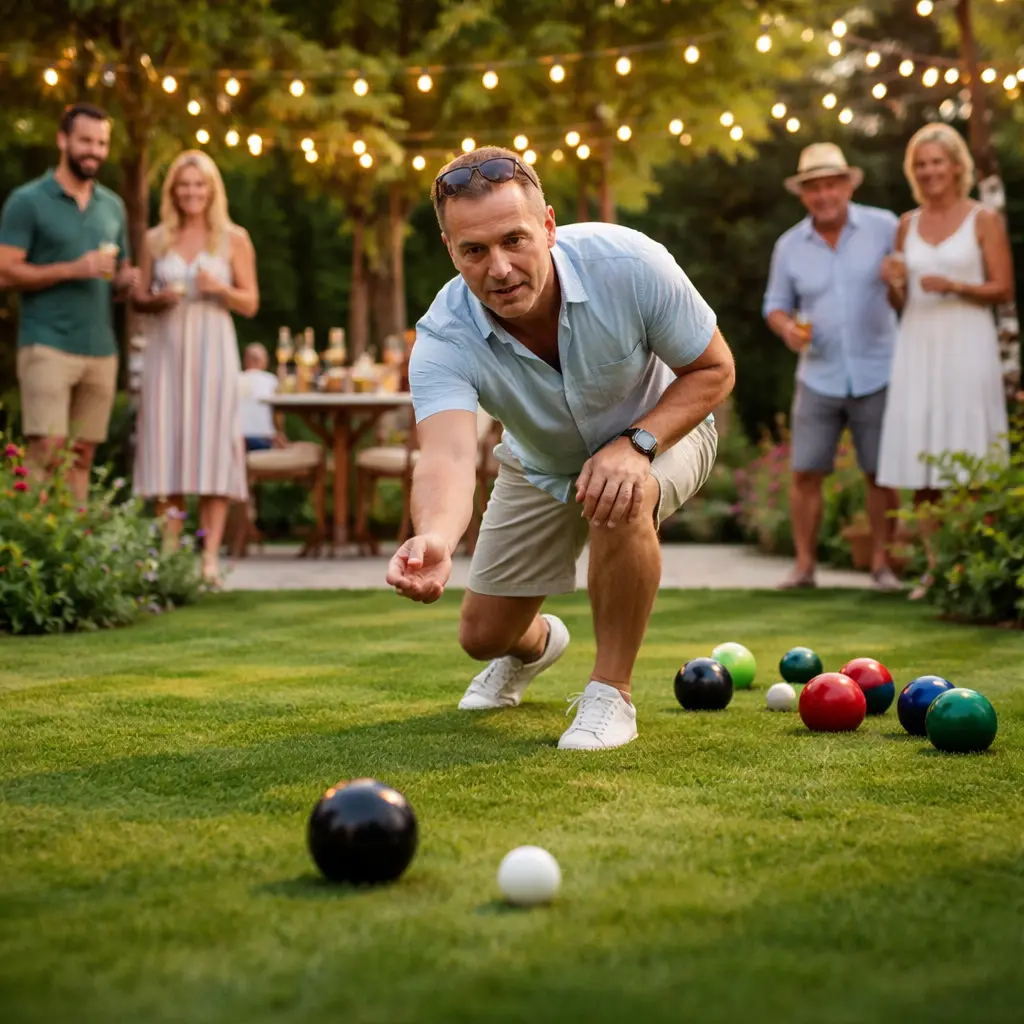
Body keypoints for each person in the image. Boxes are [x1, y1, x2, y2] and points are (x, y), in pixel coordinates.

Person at [385, 146, 732, 751]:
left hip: (663, 433)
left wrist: (636, 444)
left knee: (622, 493)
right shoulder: (442, 335)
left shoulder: (630, 263)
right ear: (451, 250)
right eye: (475, 250)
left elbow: (713, 370)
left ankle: (611, 693)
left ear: (547, 226)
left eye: (514, 240)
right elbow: (446, 455)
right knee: (482, 636)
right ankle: (539, 645)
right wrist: (436, 537)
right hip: (541, 459)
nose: (499, 268)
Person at [877, 123, 1013, 599]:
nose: (929, 170)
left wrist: (956, 286)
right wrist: (893, 283)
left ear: (957, 166)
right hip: (918, 343)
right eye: (921, 163)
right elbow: (899, 301)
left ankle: (969, 565)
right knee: (923, 458)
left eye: (937, 161)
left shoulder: (983, 219)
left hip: (967, 343)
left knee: (969, 453)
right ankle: (935, 568)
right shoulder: (906, 223)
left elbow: (1004, 287)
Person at [763, 142, 902, 592]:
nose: (824, 195)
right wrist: (787, 330)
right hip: (818, 374)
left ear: (847, 186)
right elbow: (776, 306)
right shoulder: (789, 246)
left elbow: (906, 284)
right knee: (805, 472)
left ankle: (883, 565)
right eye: (814, 188)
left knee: (881, 473)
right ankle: (804, 566)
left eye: (831, 185)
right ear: (804, 195)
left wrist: (898, 279)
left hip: (879, 369)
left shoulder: (885, 226)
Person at [0, 102, 140, 500]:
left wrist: (127, 281)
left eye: (101, 143)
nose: (94, 151)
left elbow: (117, 274)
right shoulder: (27, 201)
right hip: (47, 344)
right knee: (47, 451)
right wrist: (72, 269)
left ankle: (74, 552)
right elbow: (6, 271)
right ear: (63, 140)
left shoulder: (112, 206)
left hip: (100, 349)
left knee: (83, 456)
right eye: (85, 141)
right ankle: (36, 546)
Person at [131, 149, 259, 584]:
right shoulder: (154, 240)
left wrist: (220, 287)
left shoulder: (233, 238)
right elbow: (139, 299)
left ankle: (208, 557)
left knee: (212, 447)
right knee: (167, 444)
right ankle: (169, 555)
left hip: (213, 351)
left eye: (199, 184)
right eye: (183, 185)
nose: (191, 192)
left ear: (211, 190)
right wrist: (153, 298)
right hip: (166, 351)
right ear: (172, 191)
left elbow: (250, 302)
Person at [239, 342, 286, 451]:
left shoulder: (234, 380)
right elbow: (278, 413)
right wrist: (280, 433)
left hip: (238, 440)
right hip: (264, 439)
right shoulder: (271, 380)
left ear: (246, 360)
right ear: (261, 360)